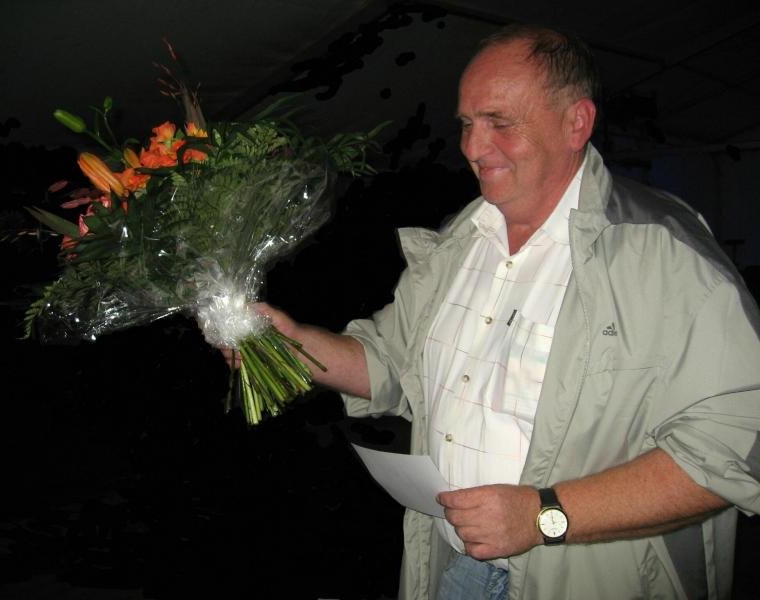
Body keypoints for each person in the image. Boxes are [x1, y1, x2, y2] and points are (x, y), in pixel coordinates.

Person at [236, 24, 760, 599]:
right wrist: (291, 345)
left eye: (499, 123)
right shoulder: (462, 238)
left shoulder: (661, 252)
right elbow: (390, 361)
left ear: (576, 123)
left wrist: (544, 515)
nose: (471, 147)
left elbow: (734, 448)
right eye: (466, 123)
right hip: (453, 567)